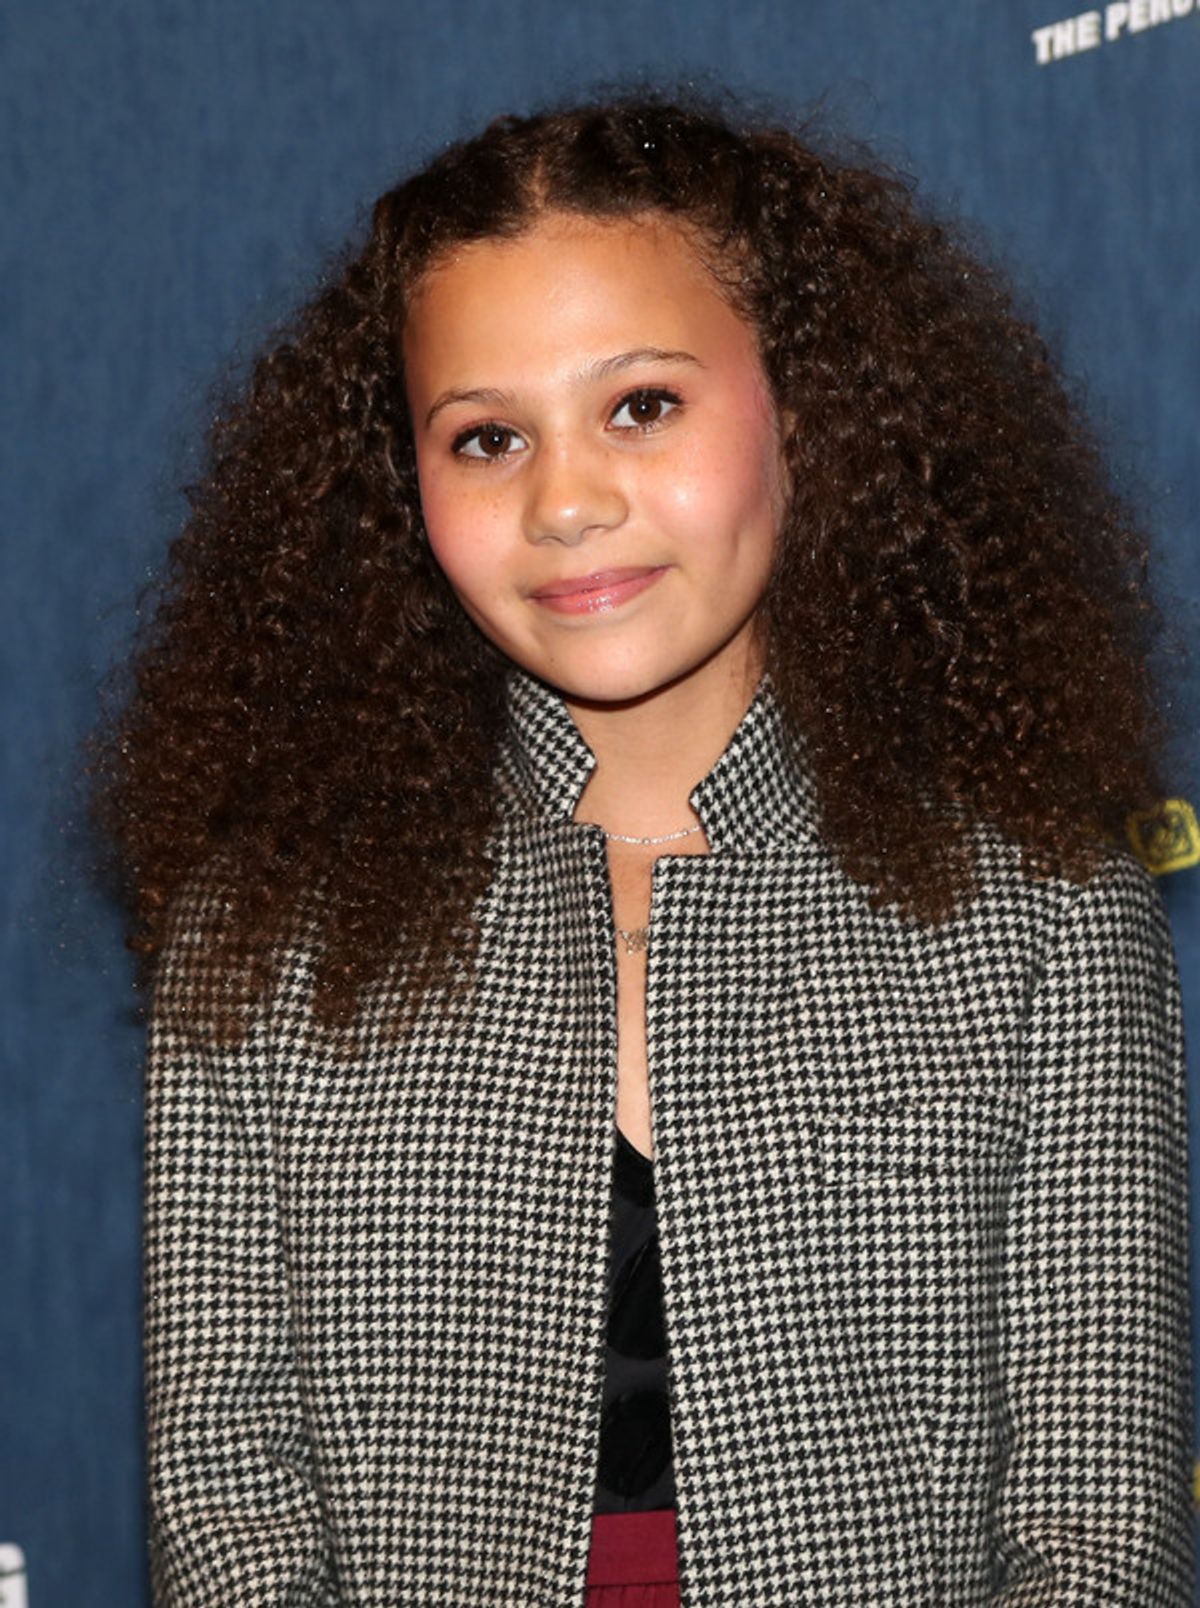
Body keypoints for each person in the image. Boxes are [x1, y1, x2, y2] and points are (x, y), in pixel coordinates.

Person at [90, 92, 1194, 1605]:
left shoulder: (1047, 912)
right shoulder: (264, 935)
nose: (565, 501)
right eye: (487, 437)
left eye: (642, 406)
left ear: (804, 408)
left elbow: (1098, 1534)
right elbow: (231, 1524)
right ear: (404, 489)